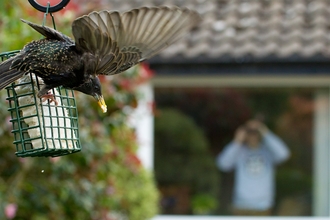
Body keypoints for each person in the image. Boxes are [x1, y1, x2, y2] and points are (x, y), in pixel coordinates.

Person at [216, 119, 290, 216]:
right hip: (241, 206)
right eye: (249, 132)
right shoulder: (239, 151)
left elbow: (284, 154)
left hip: (263, 206)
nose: (253, 135)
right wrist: (237, 141)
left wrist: (266, 133)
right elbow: (222, 164)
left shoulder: (268, 152)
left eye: (256, 132)